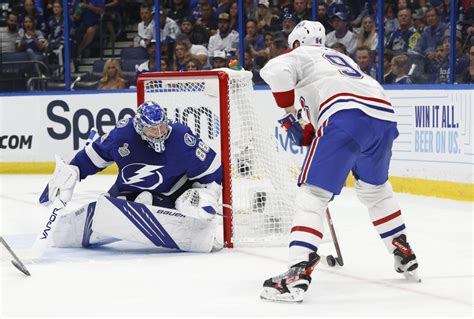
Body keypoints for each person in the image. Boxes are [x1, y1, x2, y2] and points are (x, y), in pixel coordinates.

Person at [259, 20, 420, 303]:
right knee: (376, 191)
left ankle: (298, 270)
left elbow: (273, 70)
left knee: (313, 195)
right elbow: (323, 105)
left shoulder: (301, 54)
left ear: (296, 43)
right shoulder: (339, 59)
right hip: (383, 119)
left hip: (346, 119)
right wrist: (310, 126)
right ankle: (401, 248)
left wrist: (289, 112)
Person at [39, 101, 222, 253]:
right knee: (115, 206)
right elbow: (93, 157)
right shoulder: (122, 135)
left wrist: (208, 198)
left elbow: (212, 171)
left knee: (186, 203)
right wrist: (74, 170)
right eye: (153, 129)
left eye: (162, 127)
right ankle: (124, 207)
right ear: (139, 127)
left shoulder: (182, 138)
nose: (159, 133)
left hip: (172, 193)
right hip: (128, 190)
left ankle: (162, 209)